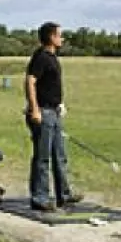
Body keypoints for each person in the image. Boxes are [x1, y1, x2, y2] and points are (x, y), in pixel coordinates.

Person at [25, 22, 83, 211]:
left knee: (60, 155)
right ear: (51, 37)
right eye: (60, 35)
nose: (62, 39)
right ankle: (39, 198)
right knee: (42, 158)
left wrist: (60, 103)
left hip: (54, 111)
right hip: (43, 112)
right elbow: (30, 82)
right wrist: (35, 109)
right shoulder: (41, 57)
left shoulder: (52, 57)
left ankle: (64, 195)